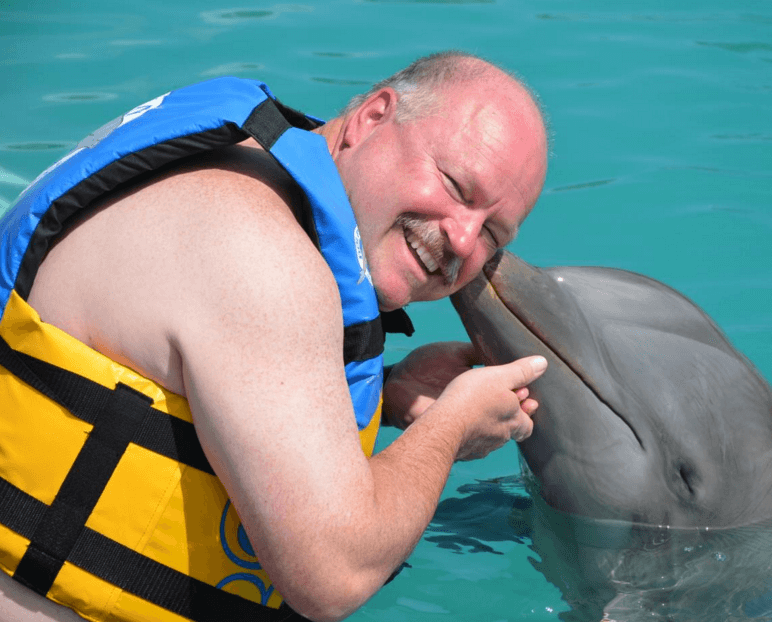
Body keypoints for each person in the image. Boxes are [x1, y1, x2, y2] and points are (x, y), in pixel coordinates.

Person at [0, 51, 548, 621]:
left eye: (493, 233)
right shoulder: (257, 248)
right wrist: (451, 427)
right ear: (373, 116)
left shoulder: (239, 180)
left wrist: (386, 393)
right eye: (457, 186)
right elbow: (336, 574)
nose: (462, 240)